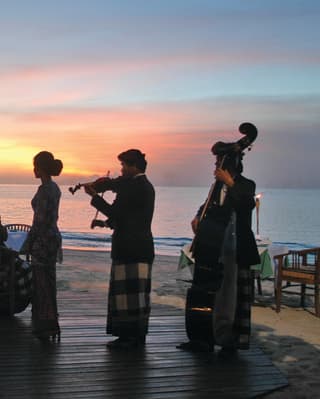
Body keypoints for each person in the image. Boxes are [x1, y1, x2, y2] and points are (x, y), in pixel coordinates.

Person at [178, 137, 260, 358]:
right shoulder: (217, 187)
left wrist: (231, 183)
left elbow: (247, 205)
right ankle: (203, 338)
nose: (214, 169)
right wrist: (197, 217)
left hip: (235, 249)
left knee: (232, 297)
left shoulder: (245, 184)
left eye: (217, 165)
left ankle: (230, 341)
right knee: (211, 294)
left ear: (227, 167)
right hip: (213, 248)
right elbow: (206, 206)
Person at [84, 149, 155, 350]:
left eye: (123, 165)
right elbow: (125, 217)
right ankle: (135, 336)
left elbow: (117, 212)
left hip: (131, 247)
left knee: (127, 296)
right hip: (139, 246)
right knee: (136, 296)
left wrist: (94, 197)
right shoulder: (140, 186)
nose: (121, 170)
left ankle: (129, 338)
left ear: (133, 166)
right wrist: (105, 223)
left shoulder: (135, 187)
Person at [22, 151, 63, 341]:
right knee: (49, 282)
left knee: (41, 285)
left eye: (35, 166)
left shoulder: (44, 190)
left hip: (43, 241)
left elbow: (38, 222)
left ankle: (44, 326)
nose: (33, 170)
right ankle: (51, 324)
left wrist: (28, 243)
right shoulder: (55, 188)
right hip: (53, 238)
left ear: (41, 168)